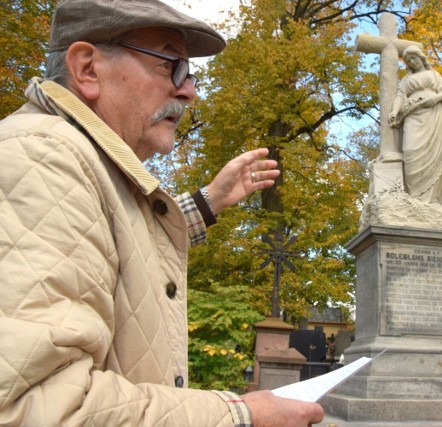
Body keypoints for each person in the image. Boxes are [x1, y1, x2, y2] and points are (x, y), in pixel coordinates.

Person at [0, 0, 324, 426]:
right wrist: (241, 417)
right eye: (170, 64)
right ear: (87, 69)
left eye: (189, 73)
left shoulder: (84, 161)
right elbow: (33, 403)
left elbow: (120, 248)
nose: (189, 90)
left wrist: (208, 201)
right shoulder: (43, 157)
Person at [388, 45, 442, 208]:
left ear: (421, 58)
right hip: (412, 116)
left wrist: (438, 98)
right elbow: (400, 96)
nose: (412, 62)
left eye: (414, 58)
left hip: (435, 115)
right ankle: (414, 198)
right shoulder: (406, 80)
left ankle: (432, 200)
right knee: (410, 151)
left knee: (434, 152)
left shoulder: (434, 74)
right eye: (409, 60)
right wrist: (394, 111)